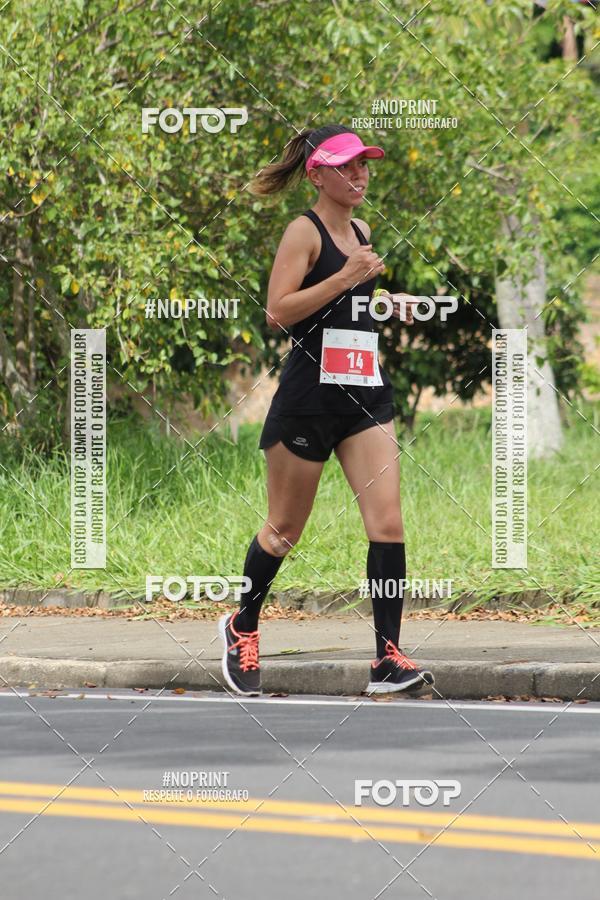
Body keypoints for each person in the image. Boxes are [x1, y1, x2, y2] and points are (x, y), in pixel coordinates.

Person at [218, 123, 434, 697]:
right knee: (284, 530)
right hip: (309, 399)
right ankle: (243, 625)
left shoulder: (361, 227)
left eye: (364, 164)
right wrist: (346, 276)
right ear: (317, 174)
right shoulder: (303, 231)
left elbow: (353, 307)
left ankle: (387, 657)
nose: (359, 174)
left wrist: (390, 303)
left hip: (364, 394)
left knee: (387, 524)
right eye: (346, 166)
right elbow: (279, 312)